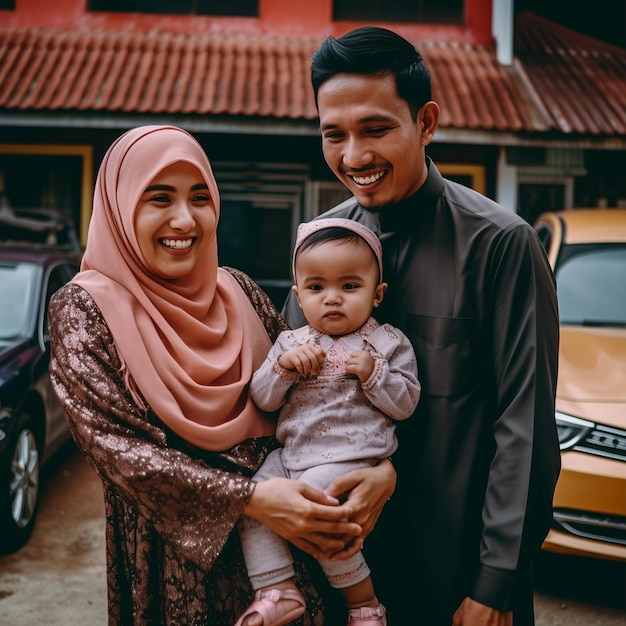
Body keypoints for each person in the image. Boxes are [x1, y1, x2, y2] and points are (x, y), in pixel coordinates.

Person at [48, 125, 395, 625]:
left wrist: (382, 470)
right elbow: (121, 453)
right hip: (177, 568)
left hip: (293, 557)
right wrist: (253, 499)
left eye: (200, 197)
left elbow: (318, 393)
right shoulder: (83, 310)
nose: (185, 219)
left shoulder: (240, 291)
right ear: (119, 208)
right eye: (159, 198)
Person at [283, 26, 561, 626]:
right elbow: (286, 393)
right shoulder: (318, 247)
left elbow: (526, 426)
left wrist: (495, 583)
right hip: (344, 572)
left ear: (426, 122)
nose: (353, 156)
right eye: (335, 134)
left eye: (375, 129)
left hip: (457, 577)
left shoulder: (500, 245)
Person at [236, 218, 420, 626]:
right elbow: (263, 399)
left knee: (317, 508)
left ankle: (365, 605)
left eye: (349, 287)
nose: (332, 299)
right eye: (317, 288)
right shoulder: (291, 343)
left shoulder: (388, 343)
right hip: (292, 455)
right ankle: (277, 588)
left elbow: (406, 404)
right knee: (253, 500)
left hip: (352, 457)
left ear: (377, 294)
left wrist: (375, 374)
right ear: (299, 296)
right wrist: (283, 370)